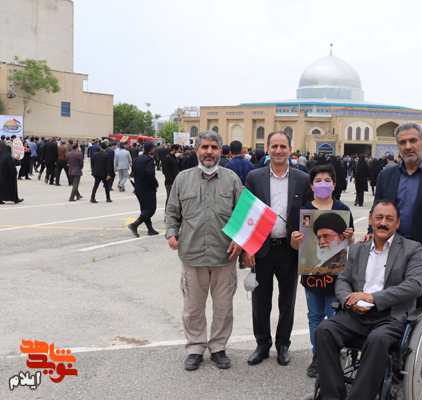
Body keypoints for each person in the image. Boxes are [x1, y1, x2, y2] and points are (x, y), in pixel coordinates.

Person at [315, 200, 422, 400]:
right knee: (324, 330)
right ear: (370, 220)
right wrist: (350, 301)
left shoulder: (412, 249)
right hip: (356, 313)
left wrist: (373, 297)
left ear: (398, 223)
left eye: (389, 219)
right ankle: (332, 396)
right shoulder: (358, 249)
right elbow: (343, 280)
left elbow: (415, 285)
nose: (383, 223)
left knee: (377, 339)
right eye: (379, 218)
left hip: (390, 316)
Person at [165, 130, 243, 371]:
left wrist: (240, 241)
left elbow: (243, 216)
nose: (209, 152)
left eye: (214, 147)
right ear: (197, 150)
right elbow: (172, 211)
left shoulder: (232, 179)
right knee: (192, 308)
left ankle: (218, 348)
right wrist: (171, 233)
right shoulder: (182, 179)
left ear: (221, 151)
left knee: (223, 308)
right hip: (192, 254)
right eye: (205, 147)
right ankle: (195, 348)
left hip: (224, 255)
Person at [372, 121, 422, 323]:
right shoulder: (386, 176)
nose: (408, 146)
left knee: (421, 310)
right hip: (389, 252)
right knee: (385, 308)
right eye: (402, 142)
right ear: (397, 146)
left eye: (413, 140)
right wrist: (370, 238)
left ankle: (419, 343)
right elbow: (376, 213)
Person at [242, 130, 312, 367]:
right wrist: (247, 249)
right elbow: (247, 213)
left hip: (289, 250)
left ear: (290, 149)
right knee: (260, 300)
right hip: (262, 249)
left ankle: (283, 344)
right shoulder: (255, 176)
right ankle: (262, 344)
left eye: (283, 146)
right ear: (268, 149)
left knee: (287, 300)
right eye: (274, 146)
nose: (279, 150)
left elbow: (308, 214)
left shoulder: (302, 179)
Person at [290, 164, 355, 377]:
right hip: (312, 279)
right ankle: (318, 355)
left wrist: (350, 237)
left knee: (335, 317)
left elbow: (350, 243)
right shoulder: (304, 211)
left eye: (327, 180)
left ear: (334, 185)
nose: (323, 184)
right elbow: (296, 247)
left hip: (338, 278)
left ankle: (334, 355)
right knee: (315, 316)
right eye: (318, 181)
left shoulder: (343, 210)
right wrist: (294, 240)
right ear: (311, 185)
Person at [128, 143, 160, 237]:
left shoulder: (137, 159)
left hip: (138, 187)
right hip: (147, 188)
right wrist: (155, 184)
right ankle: (134, 225)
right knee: (151, 209)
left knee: (144, 209)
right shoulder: (149, 160)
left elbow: (133, 173)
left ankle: (150, 229)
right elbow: (149, 173)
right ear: (151, 149)